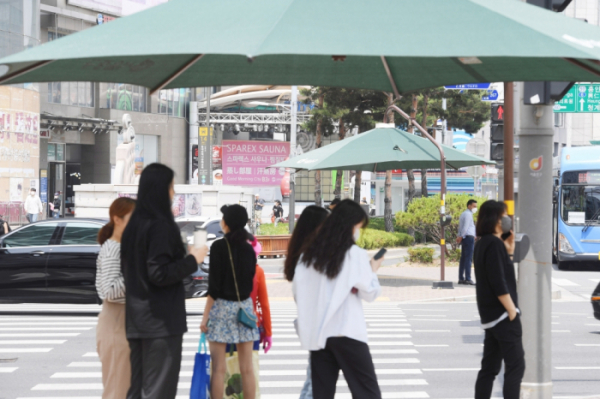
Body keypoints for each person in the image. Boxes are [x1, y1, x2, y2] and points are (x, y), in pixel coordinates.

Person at [121, 163, 208, 399]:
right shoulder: (159, 225)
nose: (174, 193)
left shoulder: (134, 225)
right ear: (161, 189)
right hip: (161, 322)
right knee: (158, 390)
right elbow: (158, 273)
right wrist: (193, 259)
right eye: (171, 186)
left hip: (137, 319)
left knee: (138, 390)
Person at [294, 200, 384, 399]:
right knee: (367, 392)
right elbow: (370, 292)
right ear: (349, 226)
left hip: (319, 336)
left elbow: (298, 293)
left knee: (322, 394)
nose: (357, 232)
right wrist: (373, 269)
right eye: (357, 227)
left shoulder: (308, 256)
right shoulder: (354, 255)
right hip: (348, 332)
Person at [200, 204, 258, 399]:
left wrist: (205, 316)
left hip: (222, 308)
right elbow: (250, 281)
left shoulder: (218, 247)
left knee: (218, 368)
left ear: (226, 223)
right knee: (247, 368)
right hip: (245, 308)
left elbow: (214, 288)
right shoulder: (249, 250)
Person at [473, 200, 524, 399]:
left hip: (490, 316)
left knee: (489, 369)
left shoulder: (483, 243)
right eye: (503, 216)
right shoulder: (493, 244)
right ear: (494, 219)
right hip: (503, 316)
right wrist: (512, 311)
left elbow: (496, 273)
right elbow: (498, 283)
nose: (506, 220)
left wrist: (508, 252)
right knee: (516, 366)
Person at [283, 205, 329, 399]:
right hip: (321, 327)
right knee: (315, 383)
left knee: (314, 380)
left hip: (315, 326)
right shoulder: (312, 259)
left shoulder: (303, 256)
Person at [96, 197, 136, 399]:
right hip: (116, 324)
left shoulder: (122, 246)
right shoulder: (114, 248)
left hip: (122, 324)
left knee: (123, 388)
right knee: (117, 391)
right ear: (117, 219)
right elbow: (110, 291)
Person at [249, 235, 272, 353]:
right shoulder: (258, 272)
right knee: (249, 368)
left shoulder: (228, 269)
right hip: (251, 322)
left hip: (229, 326)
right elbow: (264, 305)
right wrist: (268, 332)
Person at [457, 199, 478, 285]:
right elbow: (465, 227)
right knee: (468, 259)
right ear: (469, 206)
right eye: (474, 206)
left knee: (463, 259)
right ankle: (468, 278)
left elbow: (460, 227)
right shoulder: (468, 214)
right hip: (468, 238)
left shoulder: (463, 214)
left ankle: (461, 278)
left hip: (466, 237)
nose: (475, 208)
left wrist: (459, 236)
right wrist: (461, 236)